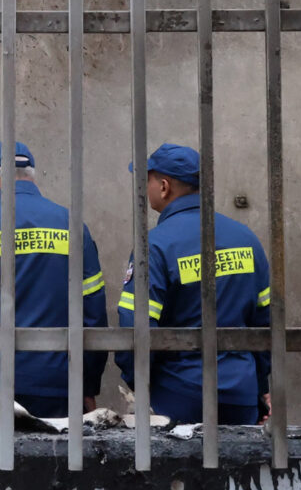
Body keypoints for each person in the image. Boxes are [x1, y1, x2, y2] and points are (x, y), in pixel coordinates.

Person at [0, 141, 107, 417]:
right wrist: (87, 384)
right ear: (31, 175)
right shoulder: (73, 225)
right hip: (59, 385)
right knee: (55, 460)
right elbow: (93, 314)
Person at [115, 143, 272, 425]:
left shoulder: (155, 245)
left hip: (177, 394)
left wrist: (140, 383)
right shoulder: (246, 238)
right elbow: (264, 322)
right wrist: (260, 387)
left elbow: (135, 324)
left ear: (164, 187)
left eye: (146, 181)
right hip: (240, 393)